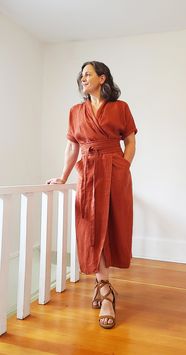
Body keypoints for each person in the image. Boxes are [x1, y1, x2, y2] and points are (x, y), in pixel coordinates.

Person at [47, 61, 137, 329]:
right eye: (81, 75)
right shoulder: (75, 111)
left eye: (88, 74)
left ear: (102, 78)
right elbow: (71, 148)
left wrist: (123, 166)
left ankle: (102, 287)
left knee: (112, 225)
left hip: (114, 170)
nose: (82, 78)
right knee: (90, 227)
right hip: (87, 172)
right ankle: (105, 290)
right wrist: (63, 176)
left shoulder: (121, 108)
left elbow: (130, 140)